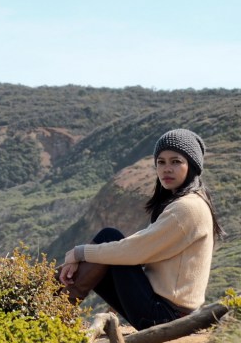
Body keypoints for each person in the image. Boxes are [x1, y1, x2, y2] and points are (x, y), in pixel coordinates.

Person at [58, 128, 225, 330]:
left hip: (166, 316)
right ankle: (52, 304)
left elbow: (134, 251)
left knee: (109, 239)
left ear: (192, 165)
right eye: (161, 162)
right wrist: (81, 257)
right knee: (108, 241)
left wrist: (79, 252)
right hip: (166, 309)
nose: (167, 169)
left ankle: (49, 308)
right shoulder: (190, 201)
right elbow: (140, 244)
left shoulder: (187, 208)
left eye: (176, 161)